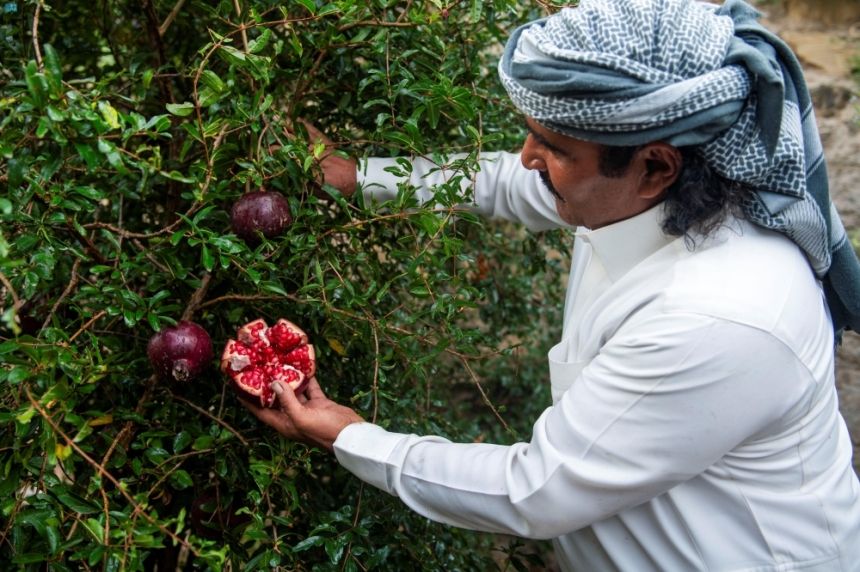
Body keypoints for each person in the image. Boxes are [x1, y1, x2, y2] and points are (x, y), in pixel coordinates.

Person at [243, 0, 860, 569]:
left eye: (553, 145)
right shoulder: (654, 196)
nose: (528, 154)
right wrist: (358, 177)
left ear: (654, 165)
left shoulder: (719, 313)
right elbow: (507, 182)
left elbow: (533, 491)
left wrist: (350, 436)